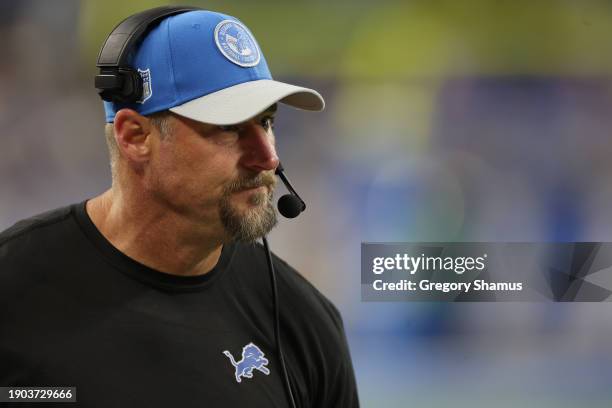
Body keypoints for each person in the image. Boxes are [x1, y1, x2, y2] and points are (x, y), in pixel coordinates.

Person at [0, 8, 359, 408]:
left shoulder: (304, 323)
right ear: (135, 137)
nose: (268, 157)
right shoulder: (12, 286)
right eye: (229, 128)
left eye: (267, 123)